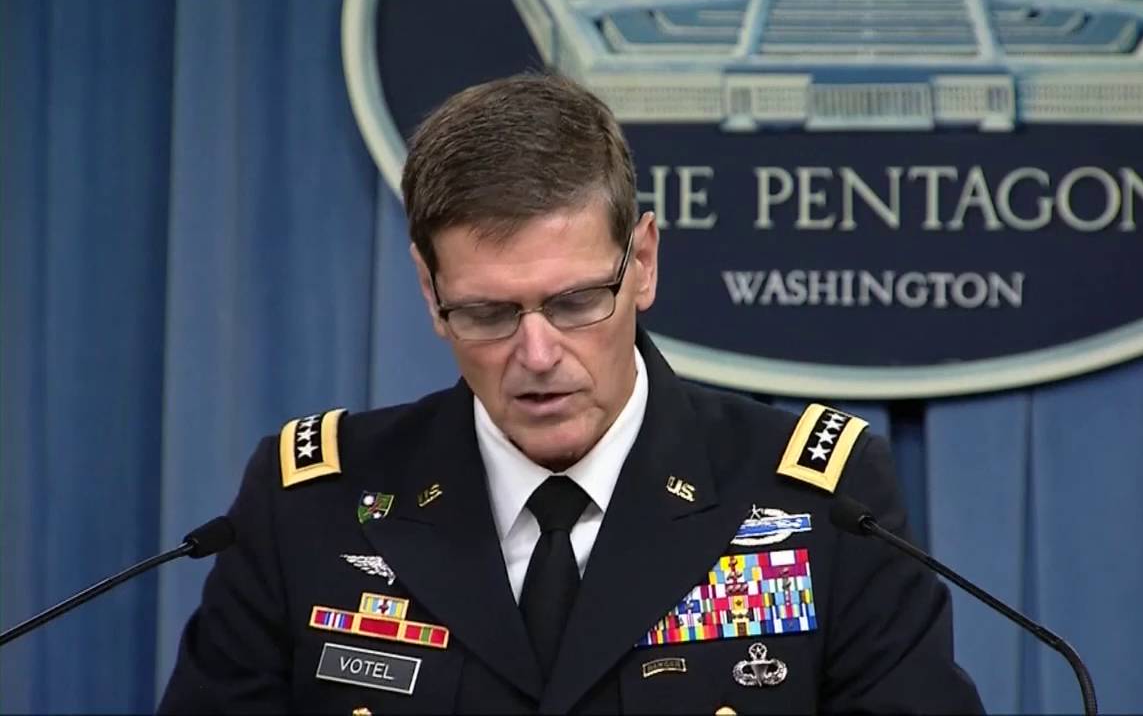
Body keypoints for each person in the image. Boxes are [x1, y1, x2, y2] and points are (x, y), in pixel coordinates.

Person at [158, 72, 983, 715]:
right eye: (488, 313)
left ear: (643, 262)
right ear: (429, 292)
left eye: (577, 301)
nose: (538, 354)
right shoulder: (312, 507)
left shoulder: (820, 502)